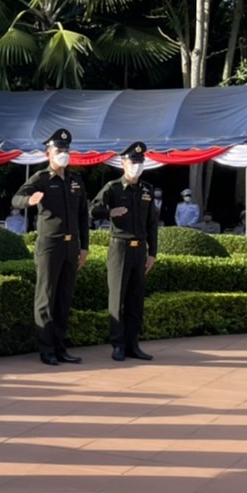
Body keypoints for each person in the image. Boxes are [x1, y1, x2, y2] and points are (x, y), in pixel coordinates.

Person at [11, 128, 89, 367]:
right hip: (50, 245)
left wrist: (84, 247)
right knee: (46, 297)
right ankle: (47, 350)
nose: (63, 153)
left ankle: (60, 347)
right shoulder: (41, 178)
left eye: (66, 149)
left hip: (71, 245)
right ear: (49, 153)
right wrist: (30, 200)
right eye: (59, 150)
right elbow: (16, 199)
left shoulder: (76, 180)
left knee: (64, 298)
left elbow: (83, 215)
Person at [91, 142, 158, 362]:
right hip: (120, 247)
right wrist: (110, 212)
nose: (137, 166)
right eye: (133, 162)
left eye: (140, 162)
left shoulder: (147, 190)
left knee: (136, 300)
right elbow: (92, 210)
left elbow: (152, 224)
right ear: (123, 163)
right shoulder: (113, 188)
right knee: (117, 299)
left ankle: (132, 344)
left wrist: (152, 252)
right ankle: (118, 344)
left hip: (140, 249)